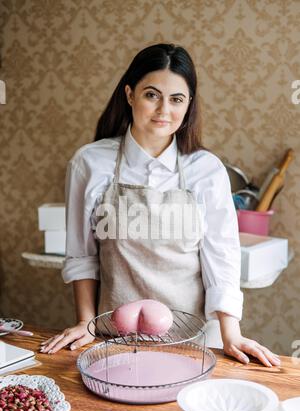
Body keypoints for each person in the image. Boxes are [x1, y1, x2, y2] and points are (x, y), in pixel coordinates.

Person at [40, 43, 280, 367]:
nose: (164, 110)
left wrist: (231, 334)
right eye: (152, 95)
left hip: (193, 343)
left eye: (176, 99)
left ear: (189, 104)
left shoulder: (205, 170)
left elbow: (221, 258)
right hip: (115, 341)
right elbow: (82, 255)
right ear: (129, 95)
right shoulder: (90, 163)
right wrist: (85, 322)